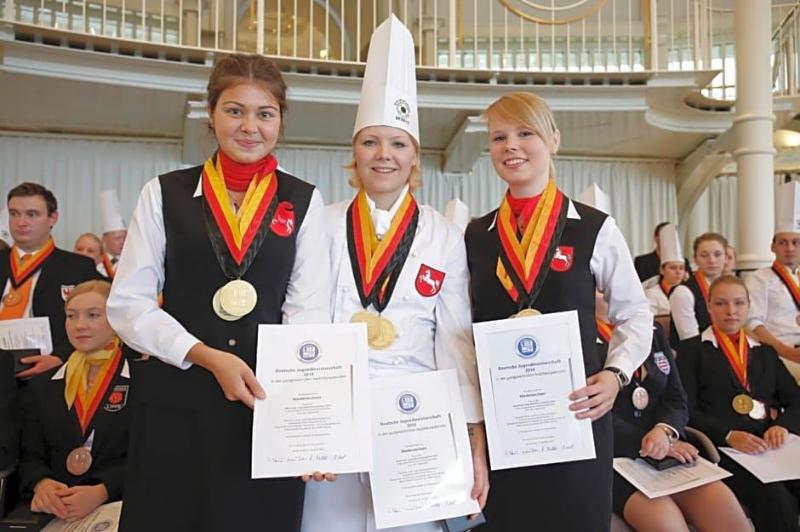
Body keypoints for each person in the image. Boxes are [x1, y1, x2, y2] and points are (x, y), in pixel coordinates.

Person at [106, 53, 329, 532]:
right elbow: (128, 305)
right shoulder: (164, 193)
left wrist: (304, 422)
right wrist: (206, 356)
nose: (250, 127)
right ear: (210, 114)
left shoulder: (304, 200)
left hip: (263, 409)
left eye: (265, 113)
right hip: (175, 406)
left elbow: (307, 314)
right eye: (234, 110)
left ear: (280, 121)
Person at [301, 16, 488, 532]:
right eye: (371, 142)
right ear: (354, 153)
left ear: (415, 157)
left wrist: (473, 439)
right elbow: (304, 325)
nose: (384, 155)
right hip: (335, 415)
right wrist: (303, 428)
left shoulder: (443, 236)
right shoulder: (322, 223)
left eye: (398, 144)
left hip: (416, 417)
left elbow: (454, 342)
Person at [464, 91, 652, 531]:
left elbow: (635, 313)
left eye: (524, 133)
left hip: (576, 417)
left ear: (553, 140)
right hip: (506, 423)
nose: (511, 146)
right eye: (499, 137)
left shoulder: (594, 227)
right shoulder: (475, 235)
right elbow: (462, 329)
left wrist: (616, 374)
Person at [598, 297, 750, 531]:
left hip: (668, 450)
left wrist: (664, 430)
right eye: (602, 288)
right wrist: (647, 443)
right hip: (615, 458)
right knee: (668, 522)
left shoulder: (652, 329)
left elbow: (677, 398)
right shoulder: (578, 336)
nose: (613, 292)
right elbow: (589, 413)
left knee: (726, 508)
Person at [678, 275, 800, 532]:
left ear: (748, 306)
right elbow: (684, 409)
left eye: (738, 303)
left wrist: (782, 426)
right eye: (721, 303)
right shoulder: (692, 351)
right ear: (708, 307)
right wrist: (729, 435)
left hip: (770, 445)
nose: (731, 311)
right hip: (722, 448)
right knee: (775, 497)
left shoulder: (765, 352)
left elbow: (795, 399)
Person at [19, 280, 134, 523]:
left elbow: (152, 454)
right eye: (71, 316)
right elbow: (29, 454)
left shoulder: (142, 381)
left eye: (93, 315)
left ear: (117, 321)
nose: (80, 325)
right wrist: (42, 483)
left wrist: (104, 490)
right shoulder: (43, 384)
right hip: (59, 513)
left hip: (123, 508)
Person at [0, 182, 99, 378]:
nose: (21, 222)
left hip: (51, 374)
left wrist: (60, 357)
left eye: (32, 214)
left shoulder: (78, 267)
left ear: (52, 218)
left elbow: (98, 322)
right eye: (14, 214)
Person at [746, 180, 800, 382]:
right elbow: (753, 323)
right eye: (783, 242)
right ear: (773, 246)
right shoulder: (758, 278)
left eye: (795, 242)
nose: (790, 248)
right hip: (779, 353)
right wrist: (787, 352)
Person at [668, 232, 727, 346]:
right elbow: (690, 340)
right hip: (697, 352)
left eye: (717, 254)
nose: (711, 260)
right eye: (704, 255)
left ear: (725, 257)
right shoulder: (683, 292)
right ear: (695, 259)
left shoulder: (729, 288)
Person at [643, 223, 685, 316]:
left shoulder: (687, 291)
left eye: (681, 268)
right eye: (673, 268)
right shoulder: (651, 294)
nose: (678, 272)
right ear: (662, 270)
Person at [99, 190, 126, 280]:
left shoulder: (131, 261)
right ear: (104, 239)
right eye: (118, 238)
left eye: (124, 238)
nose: (122, 242)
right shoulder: (97, 261)